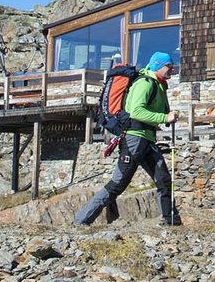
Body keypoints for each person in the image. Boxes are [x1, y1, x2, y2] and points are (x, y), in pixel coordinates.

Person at [73, 51, 181, 227]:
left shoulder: (158, 84)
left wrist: (167, 117)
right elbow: (137, 112)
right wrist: (164, 118)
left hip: (146, 140)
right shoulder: (145, 83)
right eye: (169, 66)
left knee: (163, 179)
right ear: (159, 65)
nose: (172, 69)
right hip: (135, 139)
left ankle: (171, 222)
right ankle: (81, 221)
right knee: (118, 183)